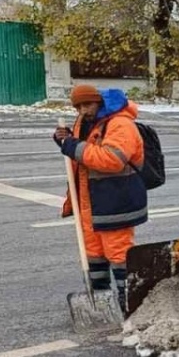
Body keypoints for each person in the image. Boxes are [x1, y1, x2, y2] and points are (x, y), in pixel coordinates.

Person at [53, 85, 147, 311]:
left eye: (88, 104)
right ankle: (101, 301)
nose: (83, 110)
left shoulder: (121, 124)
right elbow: (81, 156)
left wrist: (72, 146)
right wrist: (64, 141)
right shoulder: (86, 123)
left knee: (119, 253)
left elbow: (111, 160)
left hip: (116, 201)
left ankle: (129, 301)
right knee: (93, 253)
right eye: (78, 106)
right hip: (90, 203)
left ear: (100, 102)